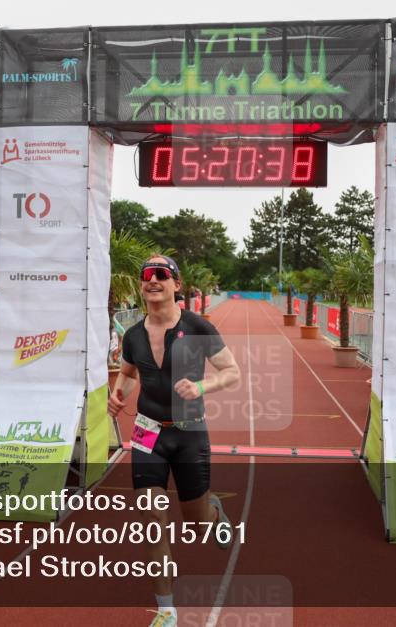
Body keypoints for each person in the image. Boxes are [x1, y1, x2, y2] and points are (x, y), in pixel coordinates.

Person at [108, 255, 240, 627]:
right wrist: (119, 394)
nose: (152, 281)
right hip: (148, 433)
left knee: (196, 523)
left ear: (176, 285)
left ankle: (212, 511)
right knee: (152, 516)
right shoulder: (132, 335)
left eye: (161, 275)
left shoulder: (199, 328)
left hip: (189, 432)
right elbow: (130, 372)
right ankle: (166, 609)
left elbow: (232, 372)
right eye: (146, 275)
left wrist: (202, 385)